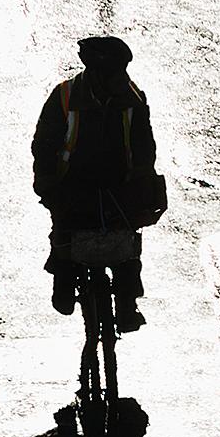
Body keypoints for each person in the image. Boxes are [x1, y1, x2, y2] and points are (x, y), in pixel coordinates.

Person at [30, 36, 162, 333]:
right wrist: (46, 182)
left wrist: (143, 181)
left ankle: (127, 305)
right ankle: (63, 284)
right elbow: (44, 144)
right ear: (98, 74)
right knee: (64, 233)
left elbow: (144, 146)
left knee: (129, 244)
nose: (123, 78)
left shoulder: (132, 98)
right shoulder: (64, 97)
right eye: (117, 73)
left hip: (119, 182)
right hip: (71, 182)